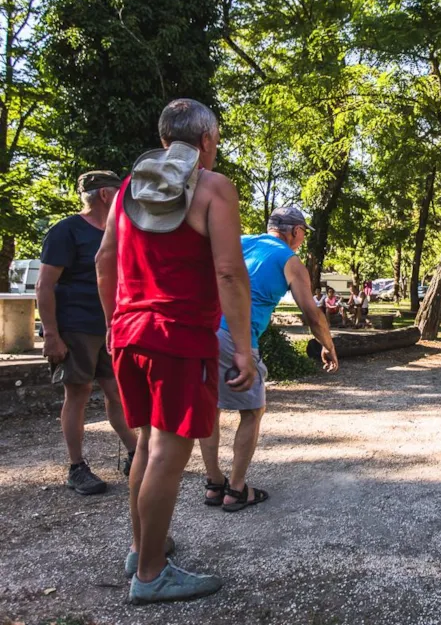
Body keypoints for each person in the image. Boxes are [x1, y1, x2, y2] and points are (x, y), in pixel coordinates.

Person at [96, 98, 256, 604]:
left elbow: (105, 260)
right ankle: (150, 575)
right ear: (206, 141)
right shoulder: (212, 187)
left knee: (146, 445)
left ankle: (144, 548)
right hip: (179, 336)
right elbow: (230, 272)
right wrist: (245, 349)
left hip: (129, 331)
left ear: (166, 139)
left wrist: (112, 322)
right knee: (167, 450)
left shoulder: (127, 190)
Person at [200, 206, 339, 513]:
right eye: (302, 233)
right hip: (234, 336)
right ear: (295, 232)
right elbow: (311, 313)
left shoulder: (239, 241)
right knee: (252, 409)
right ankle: (235, 491)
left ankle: (213, 483)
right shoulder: (290, 261)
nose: (302, 239)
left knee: (209, 405)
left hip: (202, 329)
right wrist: (327, 344)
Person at [36, 171, 138, 495]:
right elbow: (44, 285)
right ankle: (76, 468)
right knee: (77, 395)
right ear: (106, 195)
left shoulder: (117, 232)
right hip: (76, 327)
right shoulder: (67, 231)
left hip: (110, 326)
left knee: (117, 391)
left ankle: (136, 454)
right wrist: (51, 334)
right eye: (120, 192)